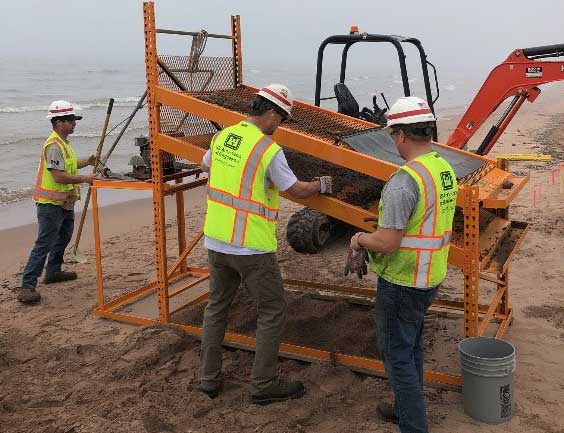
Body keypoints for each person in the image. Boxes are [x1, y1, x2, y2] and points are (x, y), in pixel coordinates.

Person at [199, 83, 332, 405]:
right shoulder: (267, 149)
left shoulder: (223, 136)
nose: (280, 125)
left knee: (217, 307)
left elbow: (207, 165)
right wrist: (321, 184)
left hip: (217, 240)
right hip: (251, 245)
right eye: (282, 119)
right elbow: (296, 190)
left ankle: (208, 379)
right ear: (271, 113)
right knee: (272, 310)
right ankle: (263, 384)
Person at [346, 96, 458, 433]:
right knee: (410, 348)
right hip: (430, 275)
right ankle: (403, 408)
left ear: (401, 135)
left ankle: (413, 424)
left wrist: (358, 240)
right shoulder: (443, 167)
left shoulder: (405, 180)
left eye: (393, 134)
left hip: (403, 280)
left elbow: (388, 242)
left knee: (396, 356)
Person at [17, 101, 97, 305]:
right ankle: (27, 286)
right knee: (44, 243)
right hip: (50, 204)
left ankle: (53, 271)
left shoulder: (64, 144)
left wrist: (87, 160)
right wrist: (85, 178)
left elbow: (68, 164)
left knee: (64, 236)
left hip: (65, 202)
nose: (74, 124)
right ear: (59, 122)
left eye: (74, 120)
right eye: (70, 121)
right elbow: (59, 177)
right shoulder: (53, 145)